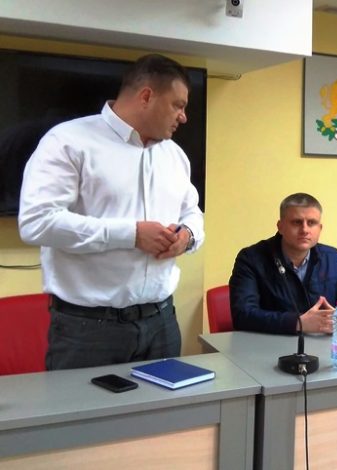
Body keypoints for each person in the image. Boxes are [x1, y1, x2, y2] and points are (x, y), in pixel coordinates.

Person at [18, 54, 204, 370]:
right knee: (80, 405)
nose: (184, 117)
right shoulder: (69, 141)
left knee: (164, 405)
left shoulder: (175, 156)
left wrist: (187, 236)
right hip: (88, 330)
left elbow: (192, 213)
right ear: (146, 96)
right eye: (178, 105)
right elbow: (37, 222)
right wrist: (131, 234)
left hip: (161, 323)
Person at [229, 193, 337, 335]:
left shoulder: (332, 257)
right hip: (272, 343)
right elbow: (242, 314)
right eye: (296, 222)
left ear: (320, 228)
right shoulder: (251, 259)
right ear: (280, 226)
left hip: (324, 342)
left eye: (311, 223)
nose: (305, 230)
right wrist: (298, 322)